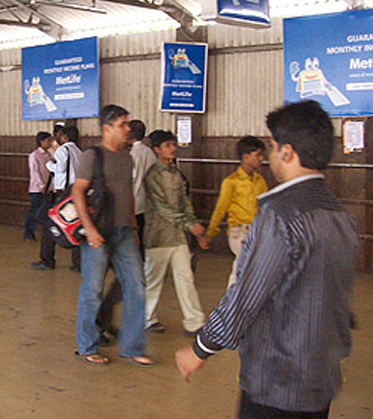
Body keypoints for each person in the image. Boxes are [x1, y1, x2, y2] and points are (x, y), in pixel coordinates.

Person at [176, 100, 359, 419]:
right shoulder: (341, 215)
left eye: (272, 147)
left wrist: (201, 348)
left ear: (287, 151)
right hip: (321, 378)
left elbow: (245, 297)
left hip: (277, 380)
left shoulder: (279, 215)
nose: (269, 156)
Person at [72, 104, 153, 366]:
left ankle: (131, 347)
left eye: (127, 123)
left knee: (137, 286)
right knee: (92, 290)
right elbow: (77, 192)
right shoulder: (92, 156)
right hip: (98, 231)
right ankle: (87, 345)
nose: (128, 128)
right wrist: (90, 229)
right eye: (122, 124)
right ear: (107, 128)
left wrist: (133, 225)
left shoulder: (126, 157)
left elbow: (128, 193)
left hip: (124, 232)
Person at [142, 130, 207, 336]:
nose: (173, 148)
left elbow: (185, 203)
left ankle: (194, 322)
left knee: (185, 277)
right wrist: (190, 225)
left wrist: (193, 225)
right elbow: (162, 208)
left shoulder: (177, 174)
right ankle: (146, 319)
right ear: (156, 150)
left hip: (178, 236)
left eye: (173, 144)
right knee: (153, 281)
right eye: (168, 145)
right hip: (158, 236)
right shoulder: (152, 175)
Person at [96, 119, 156, 338]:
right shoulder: (142, 155)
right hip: (122, 221)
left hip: (125, 221)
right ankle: (101, 322)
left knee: (128, 275)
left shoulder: (127, 157)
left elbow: (128, 190)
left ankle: (105, 318)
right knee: (116, 276)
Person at [206, 136, 268, 287]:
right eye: (258, 155)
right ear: (246, 157)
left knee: (249, 268)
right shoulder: (231, 182)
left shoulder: (260, 181)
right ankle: (230, 303)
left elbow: (266, 207)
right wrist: (210, 233)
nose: (261, 158)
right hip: (239, 231)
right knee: (242, 267)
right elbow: (221, 209)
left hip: (256, 230)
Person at [31, 125, 82, 270]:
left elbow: (59, 169)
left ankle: (47, 260)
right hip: (74, 192)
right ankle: (77, 263)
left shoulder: (63, 150)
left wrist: (49, 165)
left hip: (61, 194)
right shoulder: (79, 151)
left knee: (50, 225)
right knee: (75, 225)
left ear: (65, 137)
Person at [23, 131, 53, 242]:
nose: (50, 142)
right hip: (37, 188)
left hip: (49, 187)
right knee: (34, 210)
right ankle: (28, 233)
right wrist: (41, 185)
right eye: (48, 140)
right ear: (42, 142)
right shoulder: (34, 155)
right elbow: (34, 172)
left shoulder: (49, 155)